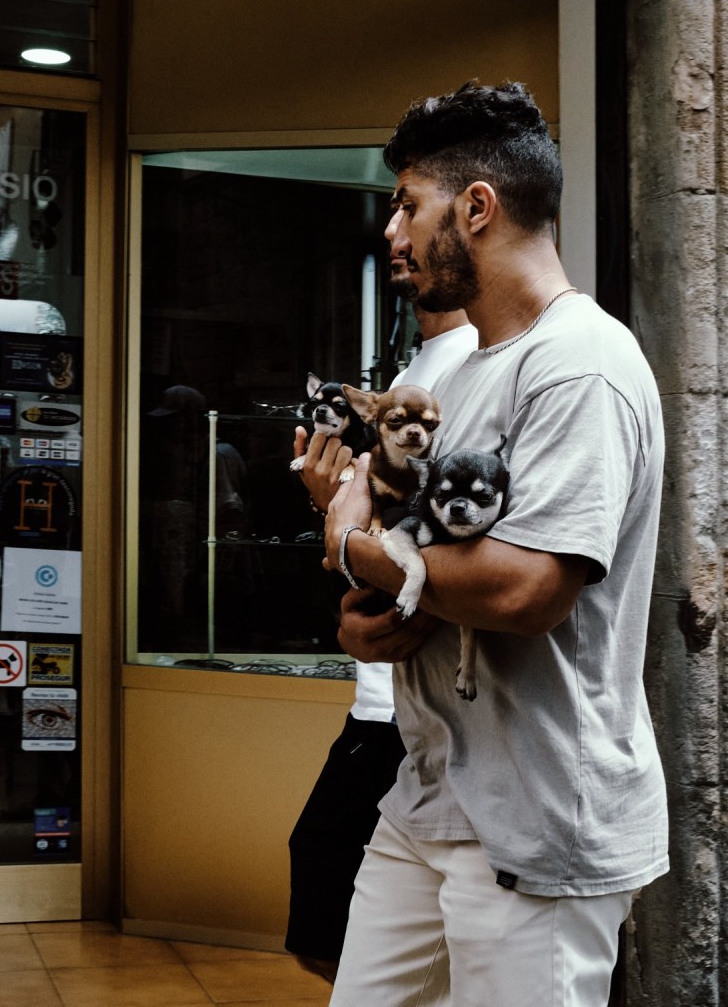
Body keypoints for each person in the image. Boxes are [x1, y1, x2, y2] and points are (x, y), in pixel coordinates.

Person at [303, 81, 667, 1006]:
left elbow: (525, 590)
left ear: (476, 208)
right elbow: (422, 560)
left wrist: (356, 550)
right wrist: (367, 617)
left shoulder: (582, 364)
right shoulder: (463, 373)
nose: (393, 231)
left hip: (537, 820)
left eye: (408, 206)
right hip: (427, 799)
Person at [285, 308, 477, 982]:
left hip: (411, 713)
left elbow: (451, 538)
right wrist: (336, 507)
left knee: (329, 916)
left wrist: (339, 524)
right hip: (385, 701)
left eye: (410, 207)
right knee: (336, 921)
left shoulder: (473, 363)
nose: (400, 248)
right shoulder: (419, 366)